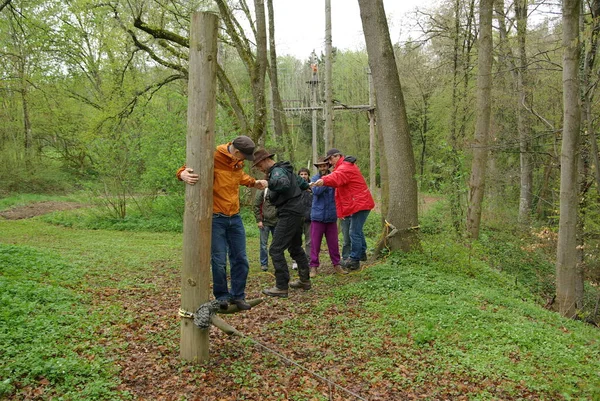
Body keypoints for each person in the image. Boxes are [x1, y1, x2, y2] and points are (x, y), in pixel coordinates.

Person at [177, 135, 268, 311]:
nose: (245, 161)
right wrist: (181, 174)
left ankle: (238, 296)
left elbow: (238, 176)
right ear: (237, 151)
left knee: (241, 258)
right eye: (244, 156)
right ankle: (222, 297)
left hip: (235, 216)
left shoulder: (237, 162)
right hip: (216, 217)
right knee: (218, 260)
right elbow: (189, 167)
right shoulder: (212, 156)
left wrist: (254, 183)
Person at [252, 149, 312, 298]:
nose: (259, 169)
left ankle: (281, 286)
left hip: (289, 213)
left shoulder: (277, 172)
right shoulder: (287, 169)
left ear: (265, 160)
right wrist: (306, 187)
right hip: (297, 212)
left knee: (275, 249)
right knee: (295, 247)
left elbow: (283, 184)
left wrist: (269, 183)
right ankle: (304, 280)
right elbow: (303, 184)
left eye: (259, 166)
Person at [311, 148, 375, 270]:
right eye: (327, 160)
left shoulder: (345, 167)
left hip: (360, 203)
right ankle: (361, 253)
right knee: (356, 230)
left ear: (337, 156)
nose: (329, 162)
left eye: (330, 159)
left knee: (353, 231)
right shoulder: (342, 167)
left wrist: (324, 180)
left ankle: (354, 259)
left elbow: (336, 177)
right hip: (357, 203)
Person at [310, 157, 346, 276]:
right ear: (318, 168)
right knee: (315, 244)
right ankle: (314, 267)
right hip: (317, 217)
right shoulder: (315, 178)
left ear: (328, 166)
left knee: (333, 243)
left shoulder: (335, 177)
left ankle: (337, 265)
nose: (322, 168)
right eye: (320, 166)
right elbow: (316, 192)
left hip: (331, 217)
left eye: (324, 166)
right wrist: (326, 181)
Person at [253, 183, 278, 272]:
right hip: (264, 222)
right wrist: (259, 220)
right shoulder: (262, 190)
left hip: (277, 222)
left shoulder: (279, 189)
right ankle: (264, 264)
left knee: (277, 244)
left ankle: (277, 263)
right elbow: (256, 205)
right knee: (263, 244)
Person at [294, 167, 312, 270]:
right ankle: (296, 260)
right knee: (296, 240)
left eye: (305, 174)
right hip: (297, 217)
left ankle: (309, 260)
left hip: (309, 217)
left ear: (308, 175)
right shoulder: (295, 187)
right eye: (301, 174)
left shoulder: (312, 186)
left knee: (309, 241)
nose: (303, 176)